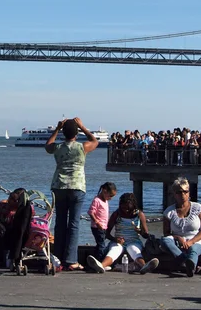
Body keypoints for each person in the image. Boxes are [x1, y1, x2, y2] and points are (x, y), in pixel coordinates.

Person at [45, 117, 98, 271]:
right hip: (77, 186)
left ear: (63, 133)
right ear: (76, 133)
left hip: (59, 186)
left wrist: (56, 129)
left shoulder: (58, 147)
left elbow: (47, 146)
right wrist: (83, 126)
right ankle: (71, 260)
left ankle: (57, 258)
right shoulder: (82, 147)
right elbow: (95, 141)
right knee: (74, 224)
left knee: (60, 223)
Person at [86, 193, 159, 274]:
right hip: (118, 241)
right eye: (123, 208)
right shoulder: (116, 214)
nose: (125, 210)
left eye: (128, 208)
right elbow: (106, 233)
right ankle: (101, 266)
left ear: (133, 206)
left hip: (134, 241)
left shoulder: (139, 215)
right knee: (115, 250)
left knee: (134, 250)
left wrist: (140, 231)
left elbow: (145, 235)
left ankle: (144, 266)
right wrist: (115, 239)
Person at [158, 177, 201, 277]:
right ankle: (187, 264)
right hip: (177, 241)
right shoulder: (169, 211)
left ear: (189, 193)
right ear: (174, 194)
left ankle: (188, 266)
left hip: (196, 240)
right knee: (164, 240)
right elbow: (167, 233)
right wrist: (178, 238)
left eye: (185, 192)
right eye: (179, 192)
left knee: (193, 250)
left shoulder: (198, 208)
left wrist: (191, 242)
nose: (183, 195)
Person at [0, 188, 32, 268]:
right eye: (10, 197)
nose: (10, 200)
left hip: (16, 233)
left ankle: (15, 258)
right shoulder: (3, 206)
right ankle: (0, 260)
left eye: (13, 199)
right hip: (4, 230)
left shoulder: (25, 210)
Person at [88, 182, 117, 261]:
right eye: (110, 196)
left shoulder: (105, 200)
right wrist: (97, 222)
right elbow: (91, 212)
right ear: (104, 191)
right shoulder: (97, 200)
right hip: (97, 227)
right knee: (102, 245)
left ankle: (95, 260)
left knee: (99, 244)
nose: (110, 198)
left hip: (103, 227)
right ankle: (100, 261)